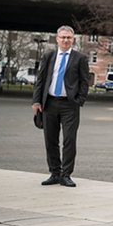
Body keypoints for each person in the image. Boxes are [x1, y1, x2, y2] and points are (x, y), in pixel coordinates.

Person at [32, 25, 90, 187]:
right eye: (63, 37)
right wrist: (36, 101)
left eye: (69, 38)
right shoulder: (49, 56)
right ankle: (54, 173)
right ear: (57, 39)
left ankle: (66, 175)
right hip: (49, 103)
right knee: (50, 140)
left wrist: (79, 100)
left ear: (73, 40)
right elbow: (41, 80)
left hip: (70, 105)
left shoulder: (80, 58)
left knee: (69, 140)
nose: (65, 40)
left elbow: (85, 81)